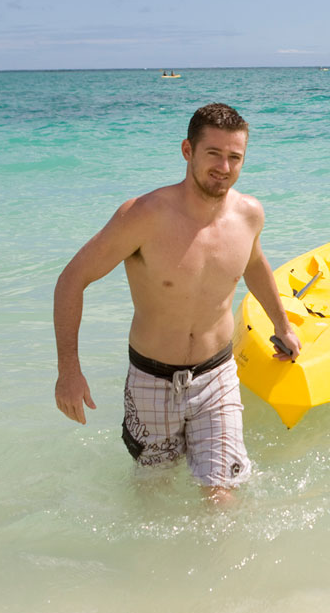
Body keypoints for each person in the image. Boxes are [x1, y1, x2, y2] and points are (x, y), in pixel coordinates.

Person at [53, 102, 302, 498]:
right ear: (188, 150)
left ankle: (222, 562)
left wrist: (282, 326)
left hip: (216, 377)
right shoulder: (143, 216)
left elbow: (253, 264)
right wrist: (69, 369)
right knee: (153, 492)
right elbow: (71, 280)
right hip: (150, 381)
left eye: (234, 157)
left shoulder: (249, 215)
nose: (224, 167)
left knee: (222, 496)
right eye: (213, 154)